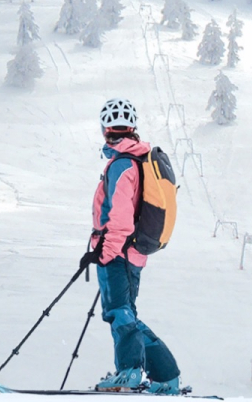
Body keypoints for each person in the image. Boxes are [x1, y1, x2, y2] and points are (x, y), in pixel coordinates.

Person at [88, 97, 181, 393]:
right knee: (127, 314)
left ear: (105, 129)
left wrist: (104, 253)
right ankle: (166, 376)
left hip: (118, 253)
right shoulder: (138, 160)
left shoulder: (122, 164)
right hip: (134, 253)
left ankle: (129, 371)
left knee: (119, 311)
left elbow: (121, 219)